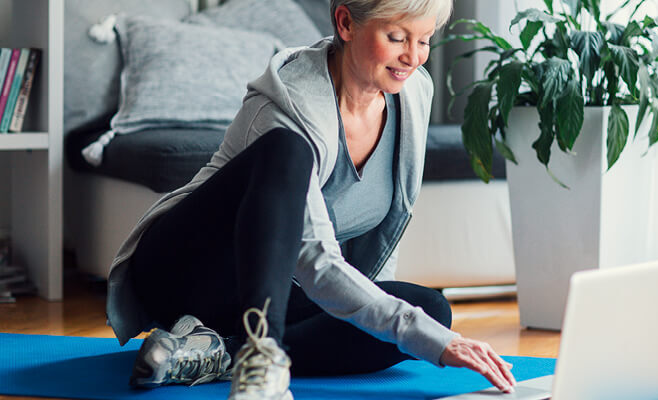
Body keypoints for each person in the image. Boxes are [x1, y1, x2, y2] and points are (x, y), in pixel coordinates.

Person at [105, 0, 517, 399]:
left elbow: (385, 228)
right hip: (185, 269)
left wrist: (413, 324)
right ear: (345, 23)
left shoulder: (413, 93)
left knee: (429, 312)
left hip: (275, 286)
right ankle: (261, 355)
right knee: (286, 150)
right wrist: (424, 337)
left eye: (425, 40)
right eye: (397, 37)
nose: (413, 57)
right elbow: (317, 258)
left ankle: (218, 355)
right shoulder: (288, 101)